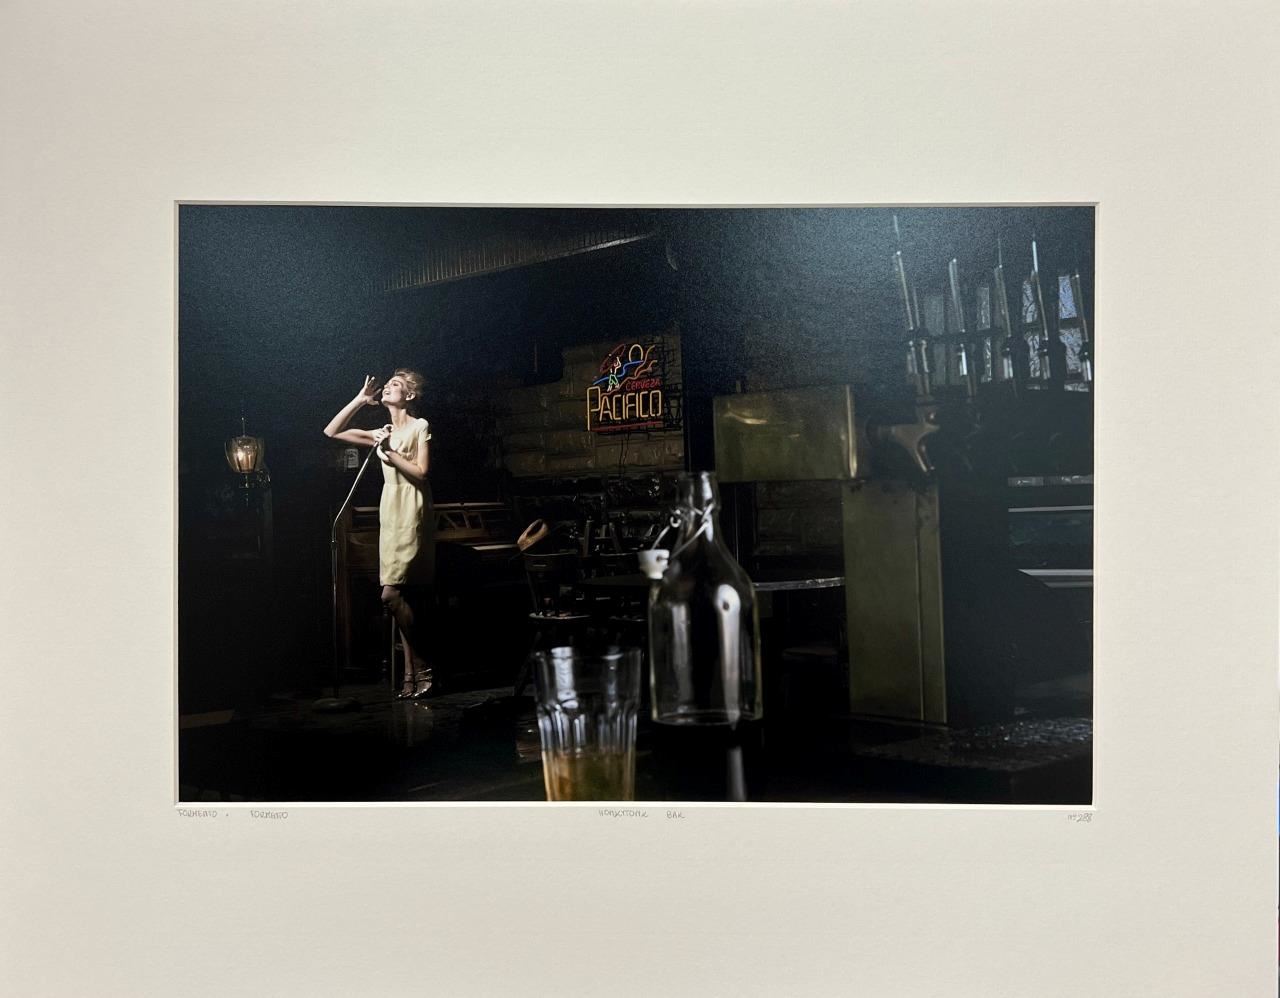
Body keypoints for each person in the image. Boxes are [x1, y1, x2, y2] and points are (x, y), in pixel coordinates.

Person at [324, 370, 437, 698]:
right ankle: (411, 674)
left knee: (391, 594)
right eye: (387, 385)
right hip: (390, 511)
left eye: (395, 385)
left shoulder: (420, 426)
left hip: (412, 509)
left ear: (409, 396)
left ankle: (422, 666)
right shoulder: (380, 432)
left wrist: (391, 450)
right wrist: (360, 400)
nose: (387, 387)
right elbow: (332, 431)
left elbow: (422, 473)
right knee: (399, 596)